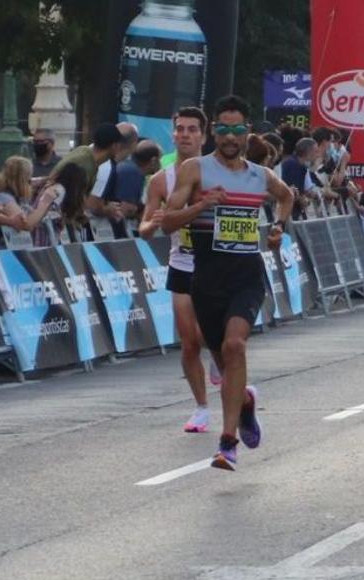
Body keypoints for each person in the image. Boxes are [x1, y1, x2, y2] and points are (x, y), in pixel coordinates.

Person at [162, 95, 295, 471]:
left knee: (235, 346)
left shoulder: (259, 175)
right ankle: (246, 402)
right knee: (221, 358)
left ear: (247, 132)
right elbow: (168, 222)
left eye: (238, 130)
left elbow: (287, 196)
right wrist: (200, 207)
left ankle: (227, 442)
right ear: (214, 132)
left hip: (246, 275)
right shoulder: (194, 171)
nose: (231, 137)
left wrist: (279, 228)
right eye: (224, 129)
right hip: (206, 278)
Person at [139, 106, 220, 433]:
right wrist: (151, 225)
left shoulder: (219, 171)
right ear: (173, 135)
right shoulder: (161, 180)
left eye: (191, 129)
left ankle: (217, 351)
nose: (184, 135)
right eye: (180, 129)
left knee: (210, 335)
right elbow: (144, 225)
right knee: (189, 343)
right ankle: (201, 408)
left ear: (203, 135)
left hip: (216, 265)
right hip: (182, 263)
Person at [0, 156, 57, 245]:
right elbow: (26, 224)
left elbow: (35, 220)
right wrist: (45, 202)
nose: (30, 182)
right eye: (28, 177)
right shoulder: (2, 197)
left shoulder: (18, 197)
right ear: (22, 179)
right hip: (4, 249)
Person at [112, 140, 162, 233]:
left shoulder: (127, 166)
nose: (161, 165)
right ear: (153, 161)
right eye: (160, 160)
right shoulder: (133, 172)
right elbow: (127, 208)